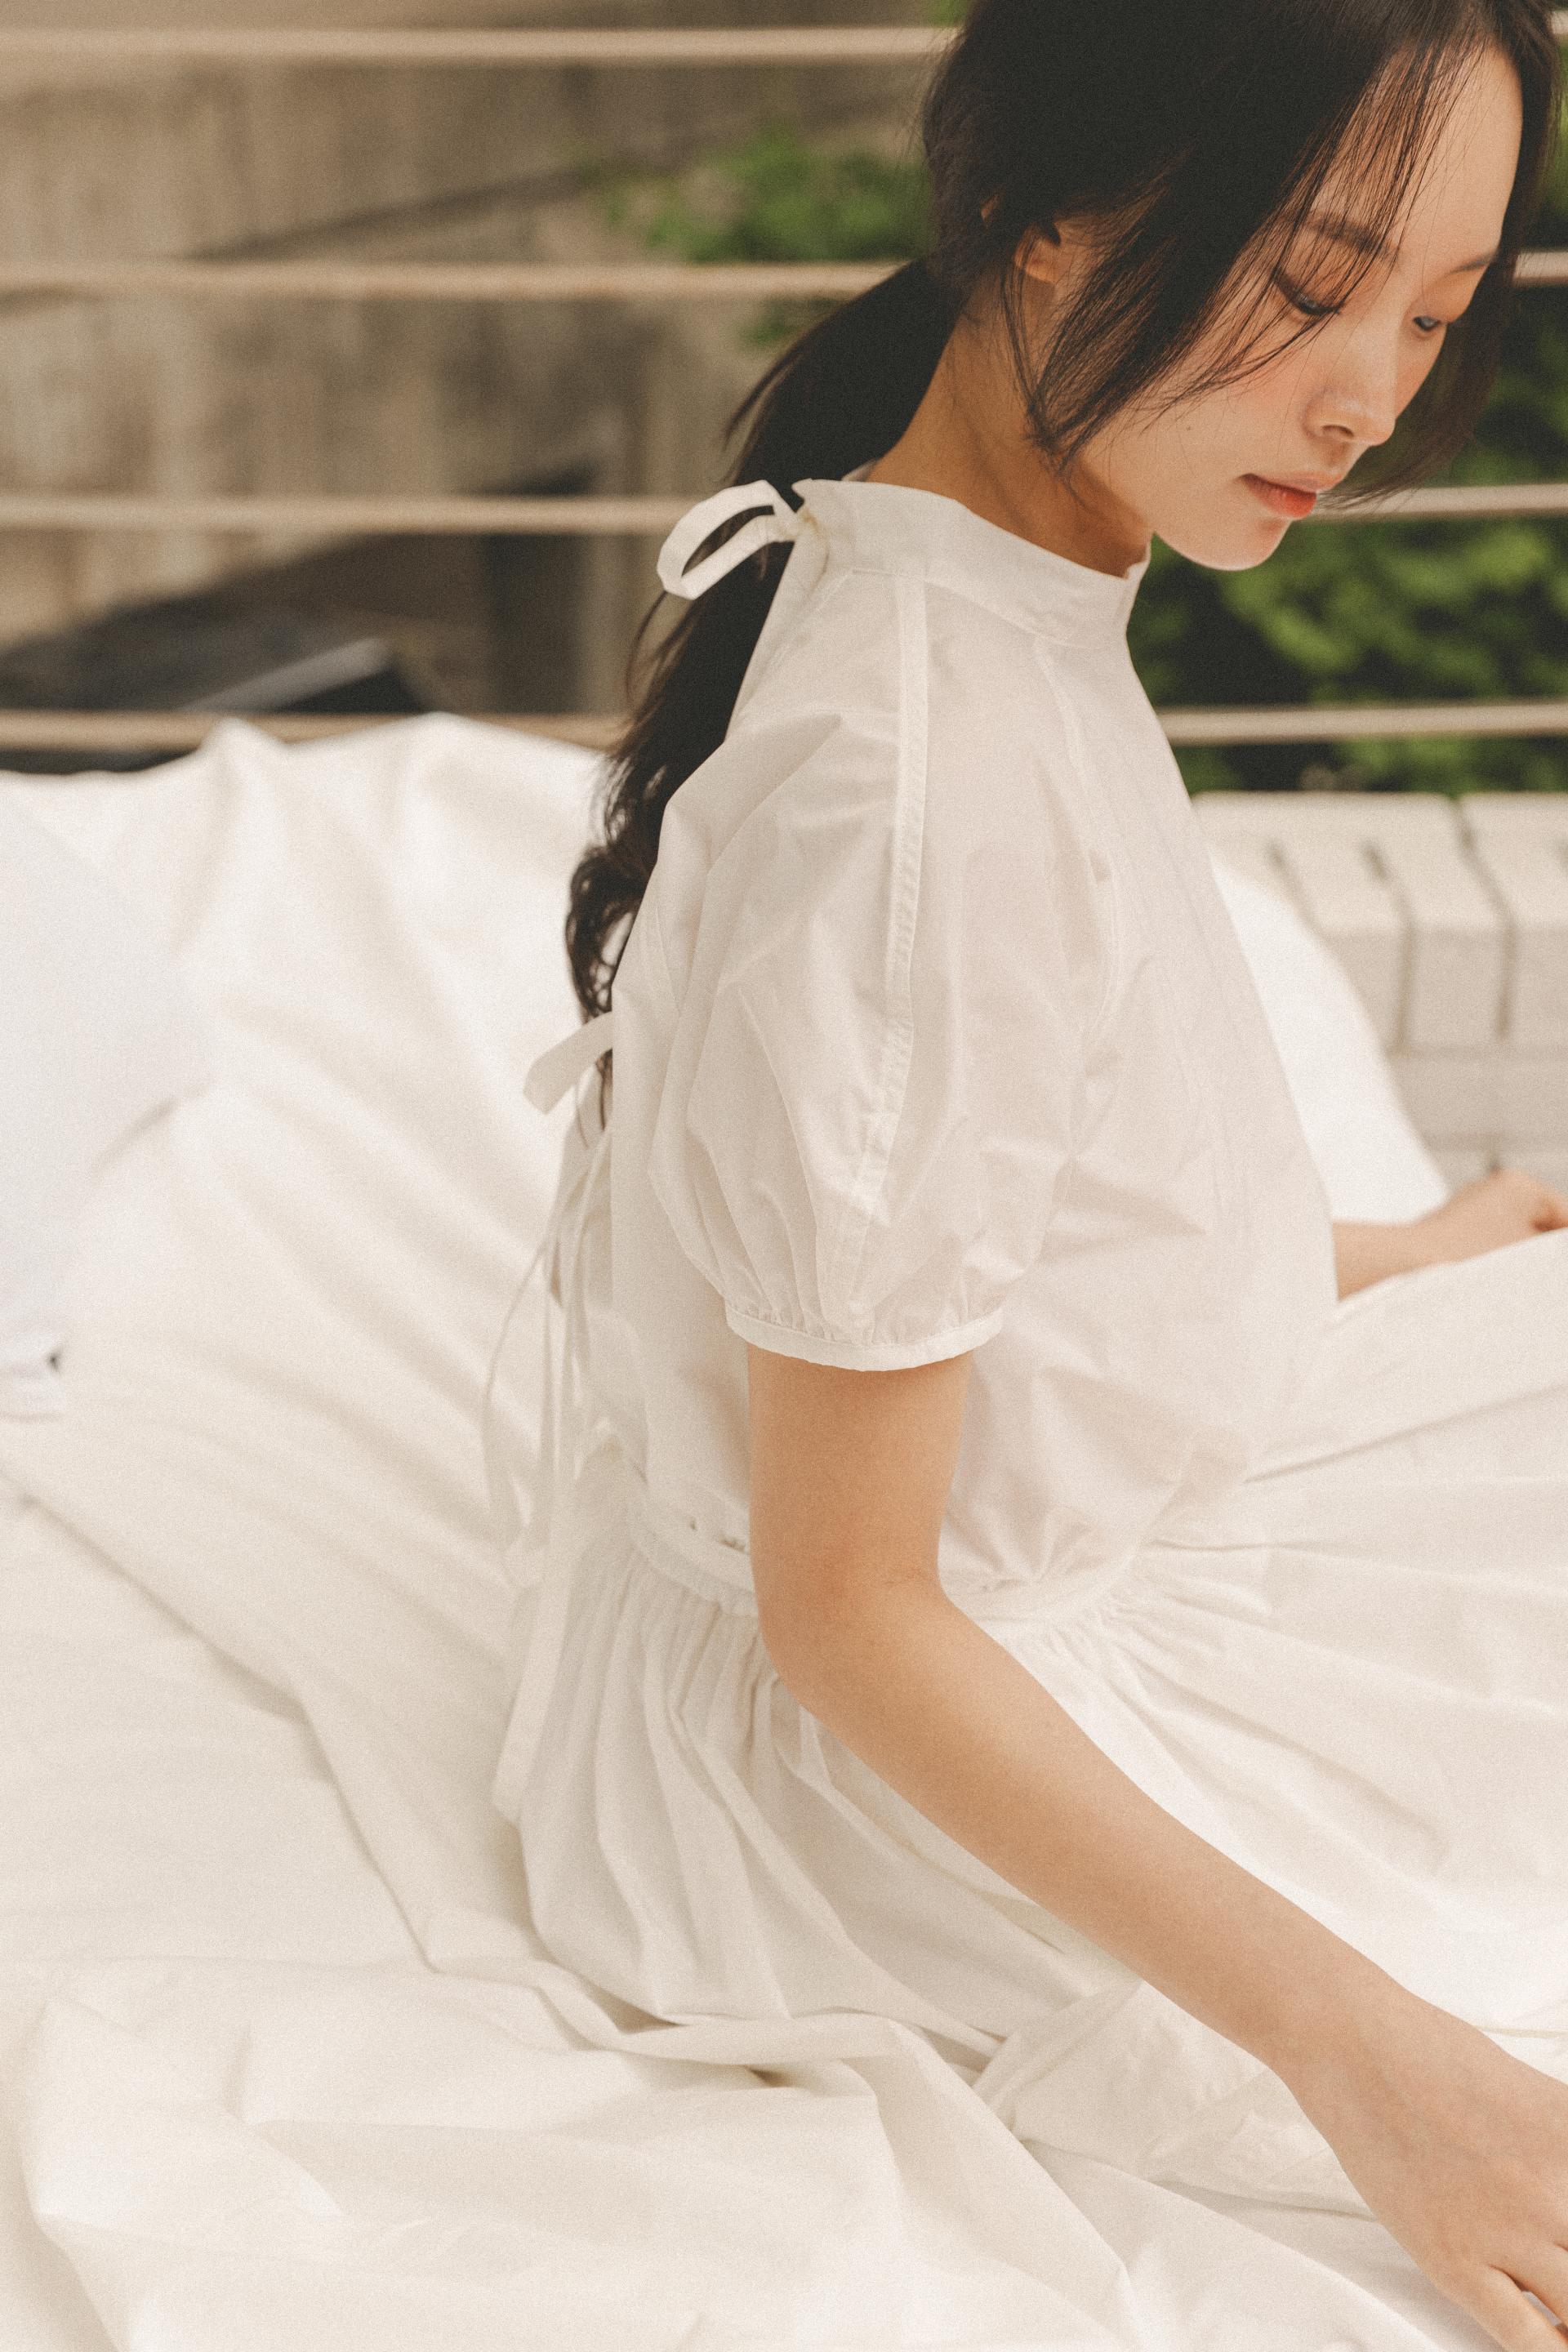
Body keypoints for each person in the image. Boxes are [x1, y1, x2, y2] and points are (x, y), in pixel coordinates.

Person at [486, 3, 1568, 2344]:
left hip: (990, 1599)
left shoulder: (984, 572)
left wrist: (1381, 1256)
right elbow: (849, 1611)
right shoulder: (917, 797)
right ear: (1044, 215)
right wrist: (1384, 2071)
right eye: (1313, 283)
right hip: (876, 1800)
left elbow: (1010, 1237)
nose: (1371, 399)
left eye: (1433, 313)